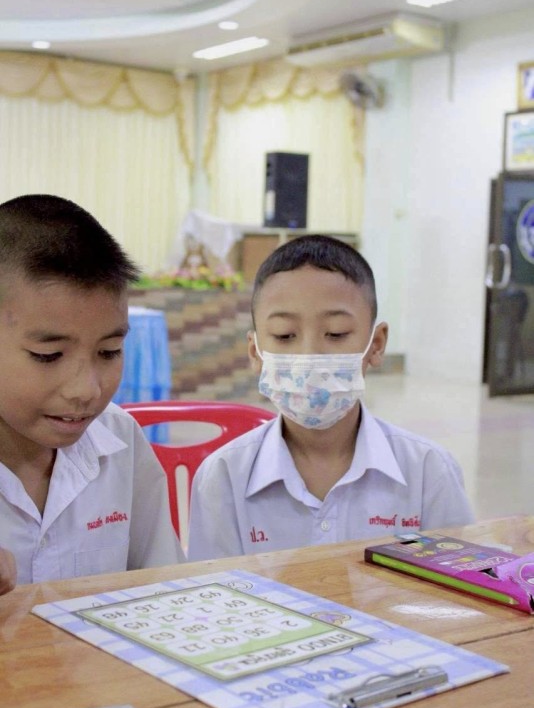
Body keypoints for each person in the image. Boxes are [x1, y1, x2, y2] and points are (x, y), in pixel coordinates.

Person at [188, 234, 474, 561]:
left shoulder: (428, 472)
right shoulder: (223, 477)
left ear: (376, 345)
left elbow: (460, 578)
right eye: (284, 335)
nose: (309, 355)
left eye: (336, 333)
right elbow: (213, 586)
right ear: (256, 352)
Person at [0, 194, 185, 594]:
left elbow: (165, 587)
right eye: (48, 356)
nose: (87, 390)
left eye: (109, 352)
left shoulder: (120, 440)